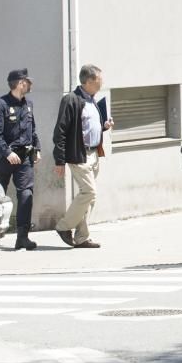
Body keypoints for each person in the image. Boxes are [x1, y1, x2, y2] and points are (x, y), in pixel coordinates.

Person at [52, 64, 113, 248]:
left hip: (94, 153)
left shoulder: (92, 100)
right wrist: (60, 160)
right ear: (88, 81)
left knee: (89, 197)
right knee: (89, 191)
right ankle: (64, 226)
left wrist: (104, 126)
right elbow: (60, 131)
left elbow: (88, 126)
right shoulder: (71, 100)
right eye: (99, 79)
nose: (101, 82)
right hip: (79, 154)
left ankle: (81, 238)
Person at [0, 68, 41, 250]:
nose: (30, 85)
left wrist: (37, 148)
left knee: (26, 194)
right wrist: (7, 153)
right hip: (4, 158)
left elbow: (32, 129)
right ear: (19, 83)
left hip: (24, 158)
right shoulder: (0, 105)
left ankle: (22, 237)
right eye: (27, 82)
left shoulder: (28, 104)